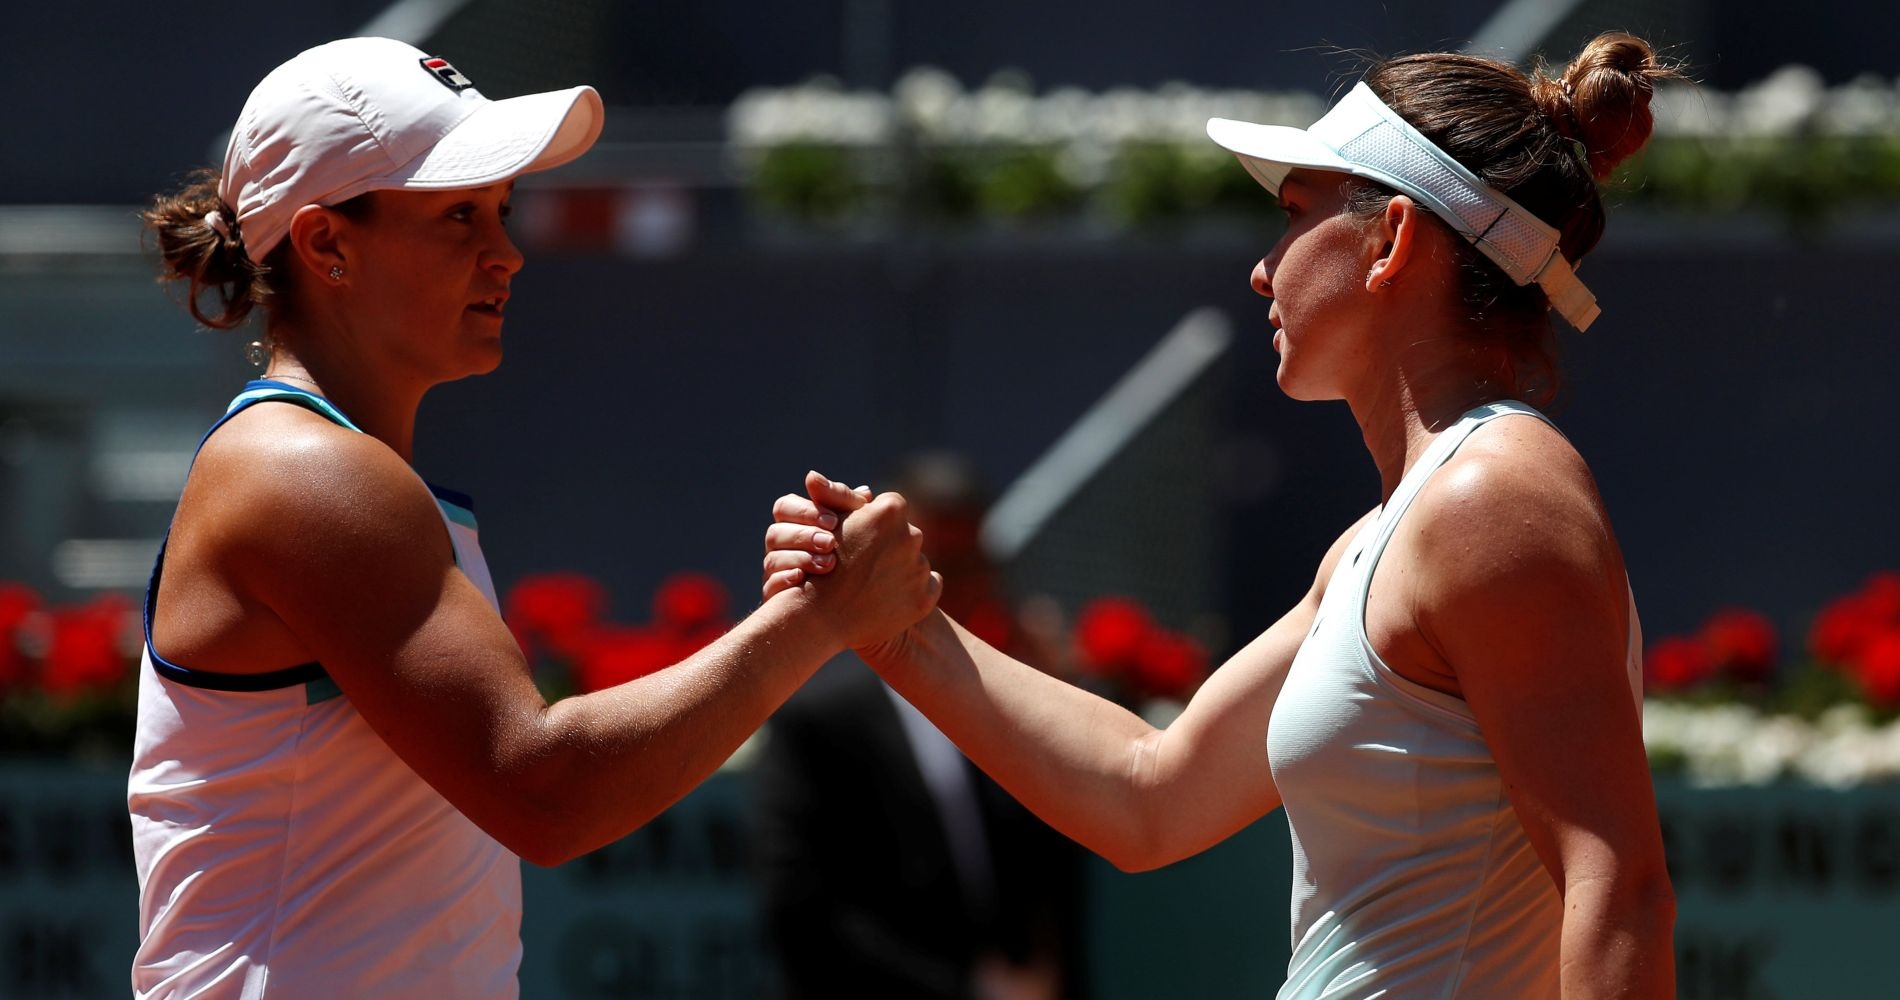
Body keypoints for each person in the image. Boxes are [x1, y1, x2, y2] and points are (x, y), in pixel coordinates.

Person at [766, 33, 1677, 998]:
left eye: (1293, 215)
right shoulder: (1392, 535)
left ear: (1391, 240)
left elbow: (1618, 890)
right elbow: (1147, 794)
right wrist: (899, 628)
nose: (1262, 268)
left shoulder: (1490, 500)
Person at [129, 37, 938, 998]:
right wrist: (816, 621)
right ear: (326, 244)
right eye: (459, 214)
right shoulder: (304, 473)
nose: (506, 251)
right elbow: (543, 791)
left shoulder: (341, 472)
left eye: (501, 210)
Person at [753, 452, 1085, 1000]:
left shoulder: (1011, 697)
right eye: (934, 561)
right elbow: (803, 911)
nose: (948, 585)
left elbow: (1054, 877)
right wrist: (972, 993)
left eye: (971, 562)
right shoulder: (817, 720)